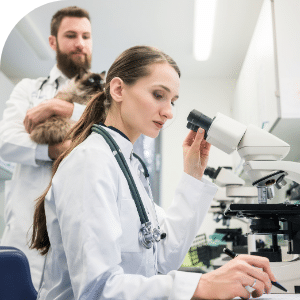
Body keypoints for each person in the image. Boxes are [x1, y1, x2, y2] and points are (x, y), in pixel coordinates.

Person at [30, 45, 276, 300]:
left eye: (172, 101)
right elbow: (97, 289)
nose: (169, 112)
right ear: (118, 89)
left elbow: (164, 258)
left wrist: (192, 176)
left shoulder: (129, 165)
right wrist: (200, 285)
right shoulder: (90, 161)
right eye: (158, 95)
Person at [0, 6, 93, 290]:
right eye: (71, 35)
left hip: (78, 230)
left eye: (86, 36)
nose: (80, 43)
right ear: (53, 42)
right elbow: (5, 141)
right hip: (25, 228)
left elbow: (106, 127)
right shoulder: (29, 89)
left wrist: (62, 107)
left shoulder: (101, 95)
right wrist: (52, 151)